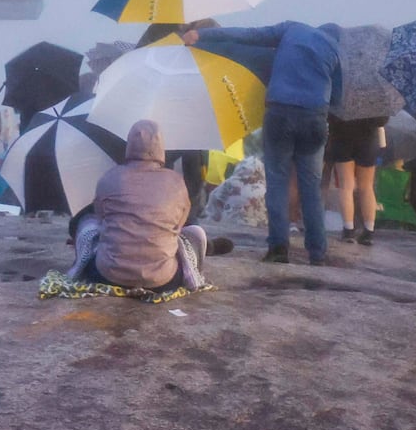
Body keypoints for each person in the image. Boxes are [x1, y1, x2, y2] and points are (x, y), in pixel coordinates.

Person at [184, 21, 341, 265]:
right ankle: (317, 253)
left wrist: (202, 35)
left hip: (279, 113)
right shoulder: (336, 49)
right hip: (314, 118)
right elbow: (337, 99)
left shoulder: (292, 29)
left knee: (277, 182)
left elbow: (249, 33)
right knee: (311, 186)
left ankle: (278, 249)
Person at [71, 119, 224, 291]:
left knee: (86, 224)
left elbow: (101, 219)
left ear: (128, 145)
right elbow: (180, 225)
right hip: (164, 280)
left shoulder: (108, 178)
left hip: (108, 277)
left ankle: (78, 268)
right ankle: (193, 270)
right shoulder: (176, 181)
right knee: (195, 232)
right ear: (161, 147)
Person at [326, 115, 387, 245]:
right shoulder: (374, 95)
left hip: (342, 137)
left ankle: (348, 230)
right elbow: (383, 120)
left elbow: (330, 116)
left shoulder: (343, 94)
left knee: (345, 186)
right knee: (366, 186)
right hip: (368, 139)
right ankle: (368, 231)